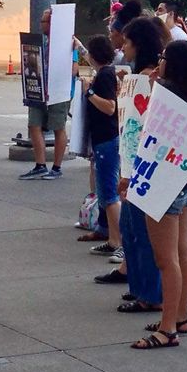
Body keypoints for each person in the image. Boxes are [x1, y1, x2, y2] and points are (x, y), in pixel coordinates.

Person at [131, 40, 187, 350]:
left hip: (164, 182)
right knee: (182, 252)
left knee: (165, 259)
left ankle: (167, 329)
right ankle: (179, 316)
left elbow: (146, 134)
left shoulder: (167, 94)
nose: (159, 60)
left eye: (163, 56)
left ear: (173, 63)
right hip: (186, 180)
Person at [103, 16, 166, 306]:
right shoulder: (138, 76)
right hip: (130, 162)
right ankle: (140, 287)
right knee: (131, 231)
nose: (123, 48)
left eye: (127, 42)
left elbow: (142, 126)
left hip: (142, 164)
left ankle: (149, 294)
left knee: (142, 234)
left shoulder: (152, 78)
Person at [19, 8, 78, 181]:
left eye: (44, 22)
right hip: (40, 90)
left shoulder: (67, 43)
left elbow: (74, 69)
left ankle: (57, 167)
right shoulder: (43, 43)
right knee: (34, 124)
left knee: (58, 126)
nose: (41, 24)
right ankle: (40, 165)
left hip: (59, 91)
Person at [82, 35, 122, 260]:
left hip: (107, 138)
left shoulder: (106, 75)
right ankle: (107, 232)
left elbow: (109, 107)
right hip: (102, 139)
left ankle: (116, 239)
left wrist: (90, 93)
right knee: (105, 189)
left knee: (108, 191)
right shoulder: (105, 73)